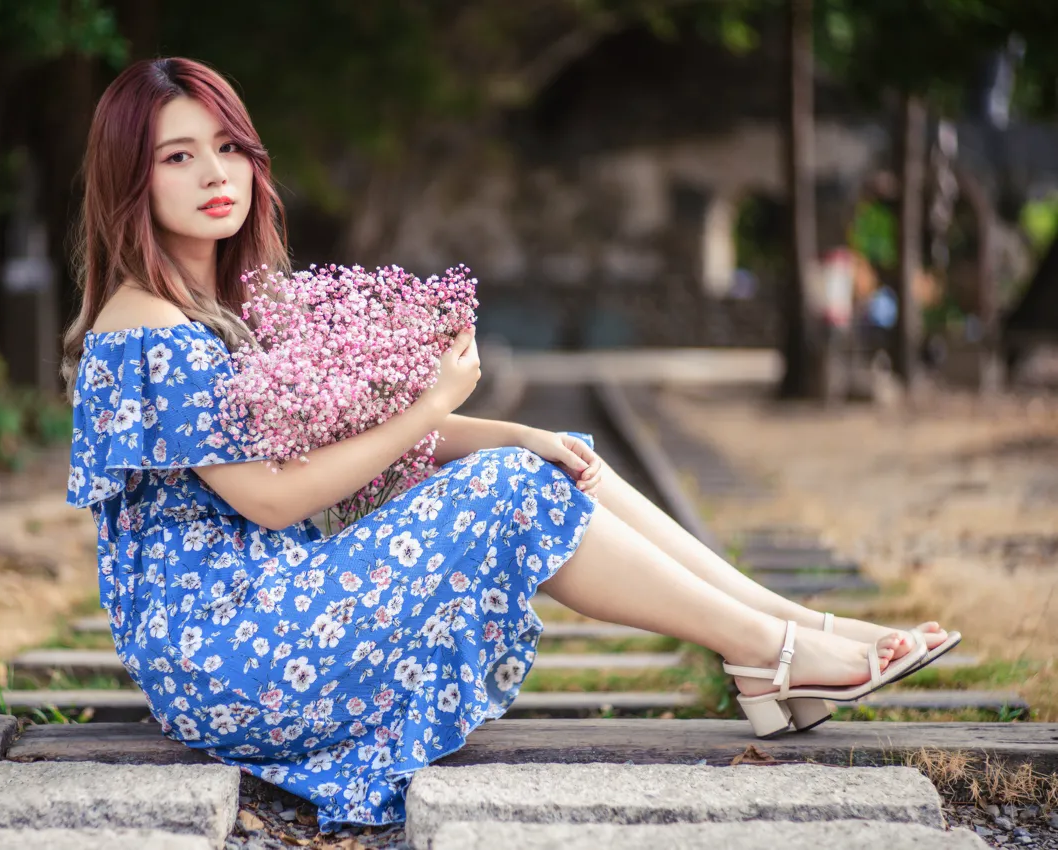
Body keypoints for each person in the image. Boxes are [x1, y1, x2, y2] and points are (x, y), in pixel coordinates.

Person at [61, 57, 959, 832]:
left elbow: (340, 441)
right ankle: (769, 654)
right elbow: (269, 497)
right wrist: (431, 411)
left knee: (548, 457)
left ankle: (797, 631)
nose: (216, 174)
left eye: (228, 148)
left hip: (271, 617)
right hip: (231, 654)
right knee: (510, 490)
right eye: (178, 157)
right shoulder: (145, 325)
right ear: (130, 180)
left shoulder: (228, 307)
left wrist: (515, 431)